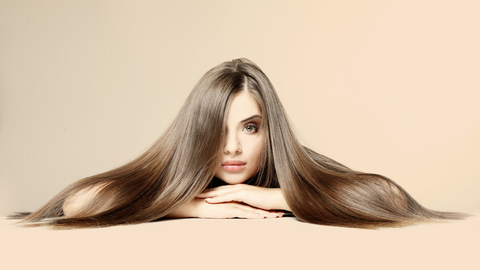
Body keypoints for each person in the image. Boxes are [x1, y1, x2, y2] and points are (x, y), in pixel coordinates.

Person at [14, 58, 468, 229]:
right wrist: (193, 206)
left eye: (249, 128)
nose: (231, 147)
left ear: (271, 132)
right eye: (218, 130)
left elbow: (388, 196)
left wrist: (271, 195)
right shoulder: (172, 171)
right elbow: (79, 203)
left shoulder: (292, 168)